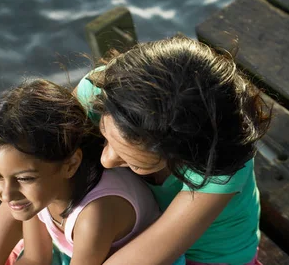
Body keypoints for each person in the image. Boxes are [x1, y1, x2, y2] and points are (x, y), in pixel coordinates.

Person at [77, 36, 271, 265]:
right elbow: (37, 162)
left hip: (212, 256)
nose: (105, 160)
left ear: (183, 156)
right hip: (138, 225)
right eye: (104, 136)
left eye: (136, 163)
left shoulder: (217, 163)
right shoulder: (103, 90)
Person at [0, 79, 173, 265]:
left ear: (70, 165)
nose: (6, 194)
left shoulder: (94, 215)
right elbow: (35, 258)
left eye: (24, 178)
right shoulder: (37, 195)